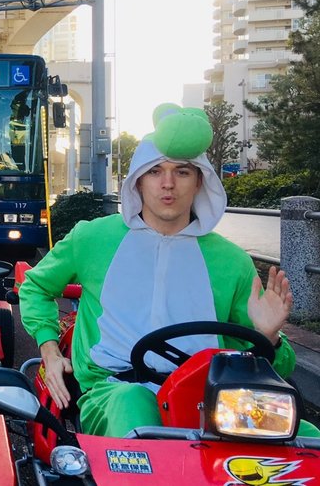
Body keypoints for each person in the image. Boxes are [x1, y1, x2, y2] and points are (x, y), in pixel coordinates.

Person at [19, 104, 320, 438]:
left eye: (182, 171)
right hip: (114, 389)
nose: (167, 184)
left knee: (306, 438)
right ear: (137, 181)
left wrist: (270, 337)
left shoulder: (232, 260)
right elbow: (35, 286)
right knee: (134, 405)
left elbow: (282, 367)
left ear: (199, 182)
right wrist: (49, 349)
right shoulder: (92, 238)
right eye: (155, 171)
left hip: (214, 399)